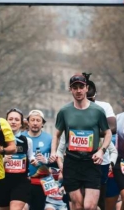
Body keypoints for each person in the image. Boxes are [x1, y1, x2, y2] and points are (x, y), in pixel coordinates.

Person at [49, 74, 111, 210]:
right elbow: (56, 134)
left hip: (92, 162)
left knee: (89, 206)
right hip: (72, 162)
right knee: (77, 206)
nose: (78, 90)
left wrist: (102, 151)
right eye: (75, 87)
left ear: (86, 88)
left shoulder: (97, 111)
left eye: (81, 87)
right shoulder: (65, 111)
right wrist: (54, 152)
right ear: (70, 89)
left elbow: (108, 133)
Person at [84, 75, 118, 210]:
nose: (89, 101)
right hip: (80, 159)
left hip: (100, 159)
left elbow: (113, 128)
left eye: (91, 98)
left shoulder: (104, 106)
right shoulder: (73, 108)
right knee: (81, 201)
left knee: (99, 200)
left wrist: (91, 131)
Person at [23, 110, 55, 210]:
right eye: (32, 120)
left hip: (43, 182)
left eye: (38, 120)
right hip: (24, 180)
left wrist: (46, 160)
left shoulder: (50, 139)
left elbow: (55, 162)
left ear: (42, 124)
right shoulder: (21, 137)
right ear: (28, 122)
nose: (35, 123)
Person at [4, 109, 35, 210]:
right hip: (2, 180)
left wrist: (34, 161)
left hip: (21, 181)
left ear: (21, 123)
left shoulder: (28, 141)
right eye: (10, 119)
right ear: (6, 121)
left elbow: (30, 156)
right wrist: (3, 159)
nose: (13, 122)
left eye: (16, 119)